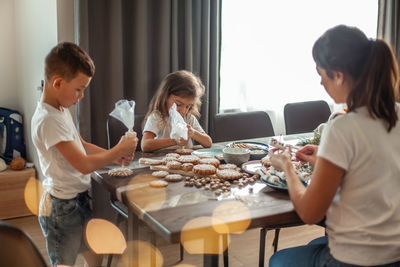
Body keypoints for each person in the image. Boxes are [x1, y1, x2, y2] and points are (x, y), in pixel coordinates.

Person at [268, 25, 400, 267]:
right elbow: (376, 167)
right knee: (313, 247)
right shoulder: (396, 114)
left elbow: (310, 213)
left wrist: (286, 166)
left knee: (279, 260)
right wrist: (325, 158)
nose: (320, 83)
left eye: (322, 74)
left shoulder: (342, 127)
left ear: (338, 75)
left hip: (357, 260)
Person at [31, 42, 138, 267]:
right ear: (58, 83)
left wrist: (114, 156)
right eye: (79, 89)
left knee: (93, 255)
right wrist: (116, 150)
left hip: (77, 200)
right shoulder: (48, 120)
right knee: (64, 262)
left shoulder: (60, 110)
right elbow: (82, 164)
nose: (81, 96)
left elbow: (82, 145)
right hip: (61, 207)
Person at [141, 70, 212, 152]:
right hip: (164, 160)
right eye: (178, 104)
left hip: (186, 161)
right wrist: (175, 140)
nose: (183, 111)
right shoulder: (157, 117)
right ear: (165, 97)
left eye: (188, 106)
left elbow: (208, 143)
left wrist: (193, 133)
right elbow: (145, 145)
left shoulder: (188, 118)